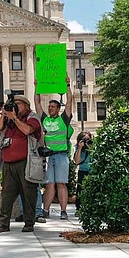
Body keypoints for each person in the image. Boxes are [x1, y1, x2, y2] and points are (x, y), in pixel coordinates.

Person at [0, 94, 42, 233]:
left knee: (28, 193)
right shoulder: (10, 119)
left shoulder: (32, 117)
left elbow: (27, 130)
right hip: (8, 162)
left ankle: (29, 223)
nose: (16, 106)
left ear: (26, 106)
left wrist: (15, 118)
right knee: (7, 194)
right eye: (14, 103)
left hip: (26, 161)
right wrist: (4, 114)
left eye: (19, 104)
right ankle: (3, 224)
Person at [35, 77, 74, 220]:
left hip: (62, 155)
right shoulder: (44, 119)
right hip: (49, 156)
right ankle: (46, 210)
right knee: (49, 184)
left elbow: (70, 101)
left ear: (58, 109)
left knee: (61, 183)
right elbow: (37, 103)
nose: (50, 108)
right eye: (49, 106)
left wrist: (68, 85)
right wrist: (37, 87)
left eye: (53, 107)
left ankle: (63, 211)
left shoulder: (64, 118)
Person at [73, 131, 93, 214]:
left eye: (88, 139)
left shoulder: (92, 147)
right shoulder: (78, 148)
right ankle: (79, 208)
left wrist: (90, 148)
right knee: (80, 190)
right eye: (85, 139)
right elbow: (77, 162)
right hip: (82, 171)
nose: (87, 141)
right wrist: (80, 148)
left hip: (92, 171)